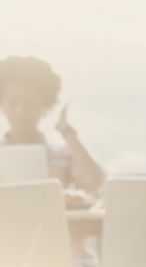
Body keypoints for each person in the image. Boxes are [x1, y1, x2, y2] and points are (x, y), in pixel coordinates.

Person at [0, 55, 105, 194]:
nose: (22, 111)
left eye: (30, 103)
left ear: (45, 106)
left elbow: (94, 186)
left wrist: (69, 134)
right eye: (13, 102)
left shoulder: (62, 154)